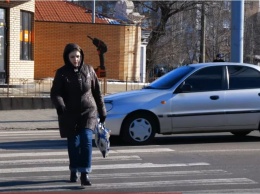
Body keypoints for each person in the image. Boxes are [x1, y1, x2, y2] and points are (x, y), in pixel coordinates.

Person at [50, 43, 106, 187]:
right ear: (67, 57)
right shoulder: (62, 73)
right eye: (73, 57)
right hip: (69, 113)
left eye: (78, 56)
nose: (76, 60)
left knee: (86, 140)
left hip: (88, 112)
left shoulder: (89, 70)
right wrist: (60, 105)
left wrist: (102, 111)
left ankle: (85, 173)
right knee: (73, 144)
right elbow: (55, 93)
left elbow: (97, 92)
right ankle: (74, 169)